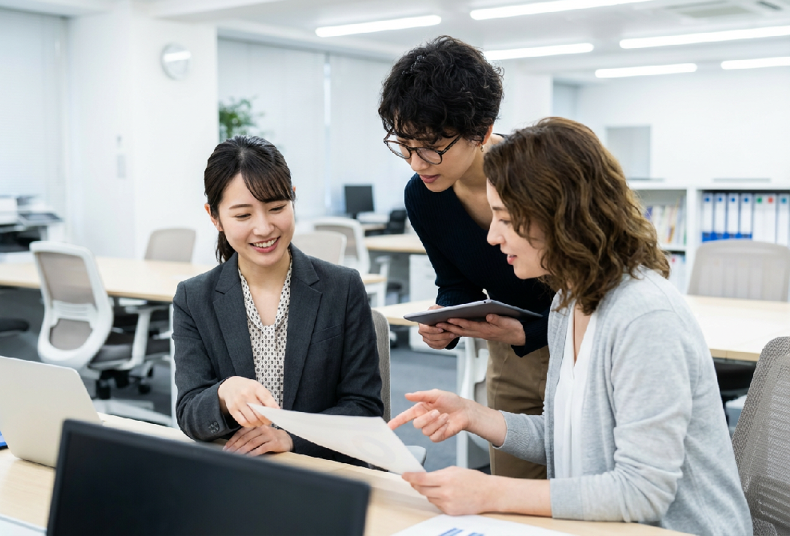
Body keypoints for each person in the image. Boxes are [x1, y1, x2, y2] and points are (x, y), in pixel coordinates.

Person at [389, 118, 752, 535]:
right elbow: (565, 437)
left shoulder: (645, 316)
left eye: (505, 219)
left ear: (560, 218)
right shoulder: (568, 302)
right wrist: (473, 414)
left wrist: (490, 492)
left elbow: (643, 491)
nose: (491, 237)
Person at [378, 35, 555, 479]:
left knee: (587, 487)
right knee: (514, 490)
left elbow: (596, 293)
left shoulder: (540, 178)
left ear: (483, 130)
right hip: (511, 355)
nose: (418, 161)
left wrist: (530, 329)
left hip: (579, 345)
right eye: (405, 145)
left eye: (433, 145)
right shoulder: (424, 196)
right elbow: (454, 278)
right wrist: (447, 322)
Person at [173, 135, 383, 464]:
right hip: (240, 471)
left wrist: (290, 438)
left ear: (293, 201)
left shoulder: (342, 288)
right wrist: (222, 395)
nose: (264, 227)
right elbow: (189, 413)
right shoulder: (194, 298)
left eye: (276, 208)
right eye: (243, 216)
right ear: (215, 218)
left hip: (321, 470)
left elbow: (364, 408)